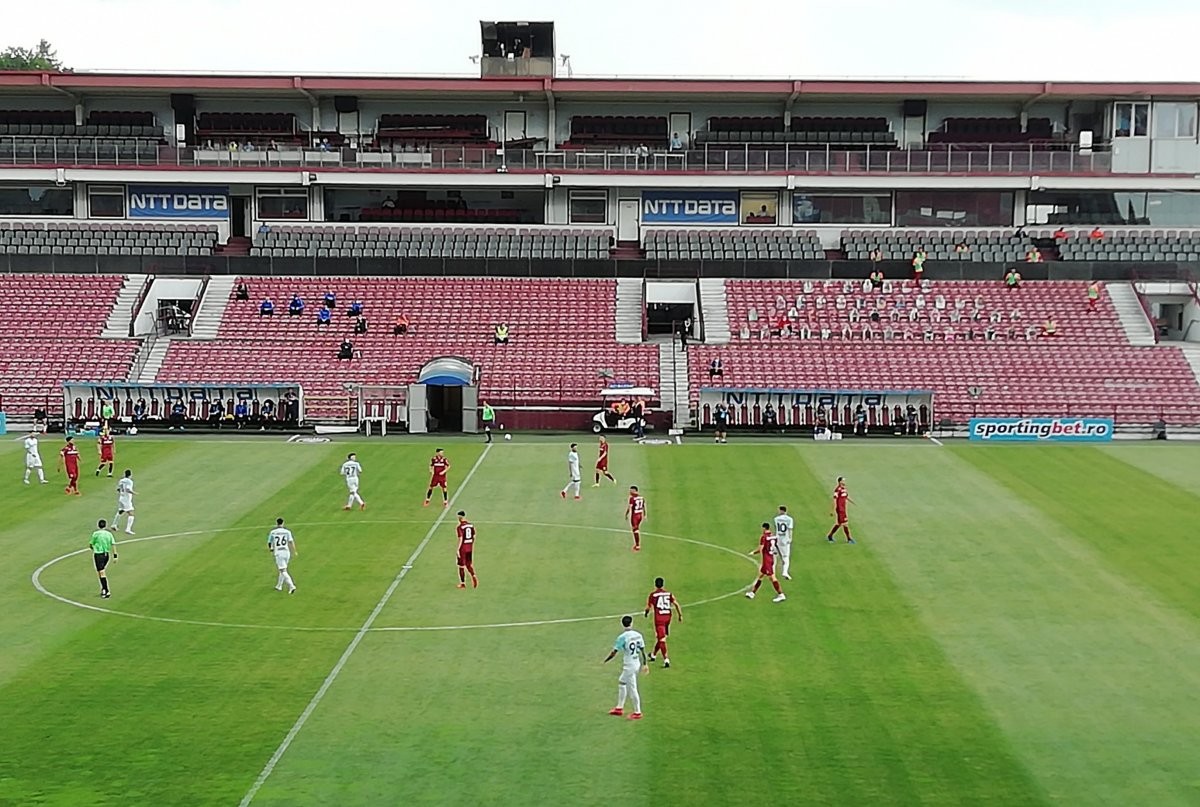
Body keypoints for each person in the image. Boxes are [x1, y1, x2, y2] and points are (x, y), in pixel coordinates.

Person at [603, 615, 647, 720]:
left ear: (622, 624)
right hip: (636, 663)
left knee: (629, 686)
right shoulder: (638, 635)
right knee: (624, 683)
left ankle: (637, 712)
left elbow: (614, 652)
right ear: (631, 623)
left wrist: (606, 660)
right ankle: (619, 708)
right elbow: (643, 650)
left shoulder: (622, 637)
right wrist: (645, 664)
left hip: (629, 665)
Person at [644, 577, 682, 668]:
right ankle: (653, 655)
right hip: (668, 617)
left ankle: (666, 659)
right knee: (662, 637)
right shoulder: (669, 594)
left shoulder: (653, 595)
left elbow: (648, 607)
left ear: (655, 585)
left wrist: (646, 613)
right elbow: (676, 604)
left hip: (659, 619)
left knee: (662, 639)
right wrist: (680, 615)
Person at [746, 522, 786, 602]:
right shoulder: (773, 536)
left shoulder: (764, 537)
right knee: (761, 575)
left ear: (764, 528)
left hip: (767, 559)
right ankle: (752, 593)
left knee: (772, 577)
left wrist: (753, 552)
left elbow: (761, 549)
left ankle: (781, 594)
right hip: (771, 557)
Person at [267, 518, 297, 594]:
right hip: (286, 552)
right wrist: (294, 551)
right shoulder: (287, 532)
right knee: (283, 569)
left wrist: (271, 549)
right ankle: (279, 586)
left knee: (283, 571)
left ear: (277, 523)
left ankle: (291, 586)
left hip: (279, 553)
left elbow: (269, 542)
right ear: (283, 523)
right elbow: (291, 542)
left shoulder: (273, 532)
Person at [89, 519, 117, 599]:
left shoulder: (96, 534)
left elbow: (91, 544)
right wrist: (115, 556)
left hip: (98, 555)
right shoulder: (109, 534)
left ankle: (106, 590)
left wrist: (94, 548)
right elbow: (113, 544)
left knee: (101, 573)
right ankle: (103, 588)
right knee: (100, 572)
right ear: (105, 525)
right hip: (106, 555)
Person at [825, 477, 856, 544]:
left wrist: (853, 502)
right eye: (843, 481)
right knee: (845, 524)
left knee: (838, 524)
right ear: (839, 482)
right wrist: (832, 510)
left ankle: (830, 536)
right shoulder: (837, 490)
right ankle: (849, 539)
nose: (844, 482)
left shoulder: (844, 489)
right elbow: (834, 500)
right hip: (840, 509)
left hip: (843, 509)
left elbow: (846, 496)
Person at [455, 510, 478, 589]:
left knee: (461, 566)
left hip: (463, 548)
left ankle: (462, 583)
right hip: (469, 547)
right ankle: (473, 575)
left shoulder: (460, 527)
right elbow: (474, 535)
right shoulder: (471, 525)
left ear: (460, 517)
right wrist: (471, 544)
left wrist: (458, 549)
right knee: (469, 564)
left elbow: (460, 538)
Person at [774, 505, 795, 580]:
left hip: (778, 538)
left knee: (774, 554)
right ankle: (785, 572)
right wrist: (790, 538)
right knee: (786, 557)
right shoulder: (790, 519)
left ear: (780, 511)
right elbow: (790, 529)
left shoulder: (776, 519)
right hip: (785, 540)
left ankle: (771, 571)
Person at [112, 469, 136, 535]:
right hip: (126, 499)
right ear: (130, 475)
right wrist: (133, 493)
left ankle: (114, 525)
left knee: (120, 511)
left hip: (121, 498)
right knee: (131, 514)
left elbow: (118, 489)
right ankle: (128, 529)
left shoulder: (121, 480)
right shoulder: (129, 481)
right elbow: (128, 489)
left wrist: (122, 493)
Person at [625, 485, 646, 552]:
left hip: (635, 516)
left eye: (631, 491)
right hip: (640, 515)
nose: (630, 492)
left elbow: (630, 507)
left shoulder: (632, 499)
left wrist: (626, 514)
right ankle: (637, 544)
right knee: (636, 529)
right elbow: (643, 506)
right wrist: (644, 515)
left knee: (635, 530)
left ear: (635, 491)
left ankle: (637, 545)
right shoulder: (642, 498)